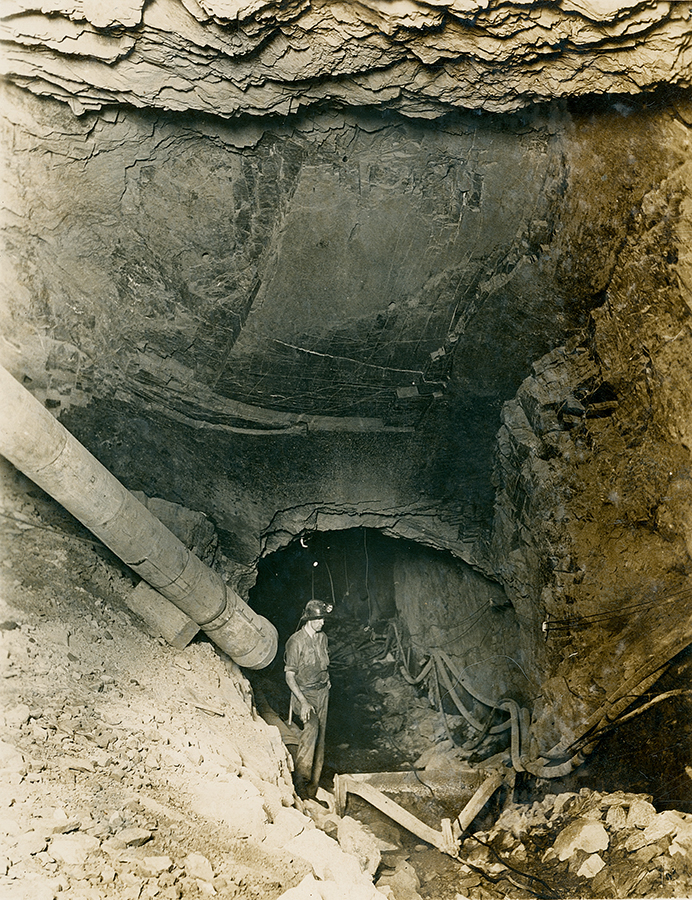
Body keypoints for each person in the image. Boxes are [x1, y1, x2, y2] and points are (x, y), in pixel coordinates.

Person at [284, 599, 333, 800]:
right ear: (308, 618)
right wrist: (303, 702)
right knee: (311, 729)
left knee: (320, 737)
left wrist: (327, 681)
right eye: (317, 618)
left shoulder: (323, 638)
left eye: (322, 618)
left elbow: (324, 664)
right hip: (304, 694)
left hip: (323, 693)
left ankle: (313, 789)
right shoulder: (296, 641)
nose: (321, 622)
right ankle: (300, 785)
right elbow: (289, 676)